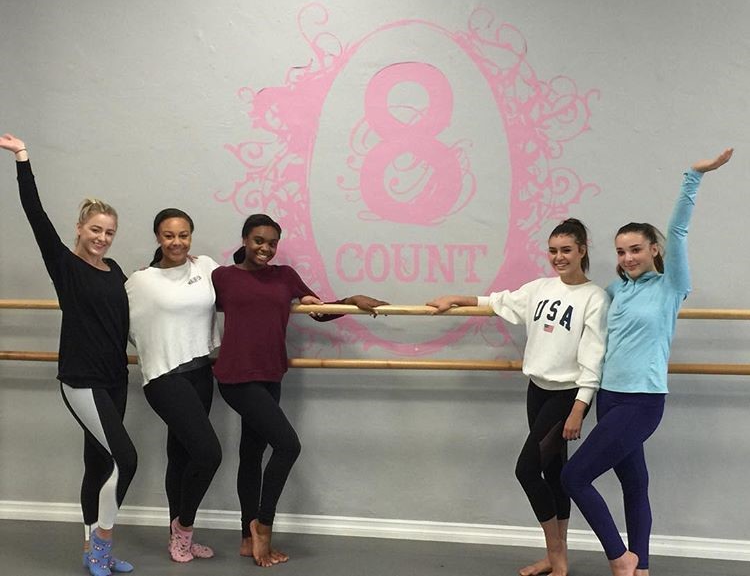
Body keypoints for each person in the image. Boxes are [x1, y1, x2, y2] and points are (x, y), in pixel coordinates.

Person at [560, 148, 733, 576]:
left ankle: (621, 559)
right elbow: (585, 317)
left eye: (635, 249)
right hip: (609, 398)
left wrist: (694, 175)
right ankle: (642, 567)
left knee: (573, 477)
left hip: (642, 402)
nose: (627, 258)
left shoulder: (671, 286)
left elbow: (678, 231)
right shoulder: (617, 290)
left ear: (654, 250)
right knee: (635, 485)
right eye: (620, 252)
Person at [427, 218, 609, 576]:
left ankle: (557, 555)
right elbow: (498, 301)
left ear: (582, 251)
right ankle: (556, 557)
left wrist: (580, 408)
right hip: (537, 391)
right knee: (553, 472)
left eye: (566, 250)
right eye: (553, 251)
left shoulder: (595, 298)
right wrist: (456, 298)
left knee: (527, 470)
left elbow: (594, 357)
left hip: (567, 396)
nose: (558, 257)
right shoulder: (540, 288)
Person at [212, 213, 388, 568]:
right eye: (258, 241)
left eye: (272, 243)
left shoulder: (285, 276)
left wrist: (351, 300)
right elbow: (187, 302)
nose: (265, 248)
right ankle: (263, 527)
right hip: (236, 377)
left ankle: (246, 538)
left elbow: (317, 311)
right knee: (288, 445)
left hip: (271, 374)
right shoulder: (222, 277)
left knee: (252, 452)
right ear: (244, 240)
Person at [1, 134, 137, 576]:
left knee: (98, 462)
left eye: (109, 232)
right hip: (82, 380)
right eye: (95, 229)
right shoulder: (65, 265)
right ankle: (102, 545)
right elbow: (34, 213)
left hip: (116, 379)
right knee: (126, 459)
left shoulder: (115, 271)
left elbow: (124, 322)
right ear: (80, 228)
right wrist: (22, 158)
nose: (102, 238)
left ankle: (90, 549)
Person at [125, 208, 222, 562]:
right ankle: (183, 529)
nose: (177, 242)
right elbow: (124, 323)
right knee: (209, 454)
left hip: (201, 372)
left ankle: (178, 536)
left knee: (181, 455)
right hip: (165, 377)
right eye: (169, 235)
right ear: (158, 238)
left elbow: (242, 284)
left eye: (183, 235)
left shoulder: (205, 267)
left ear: (191, 236)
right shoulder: (141, 280)